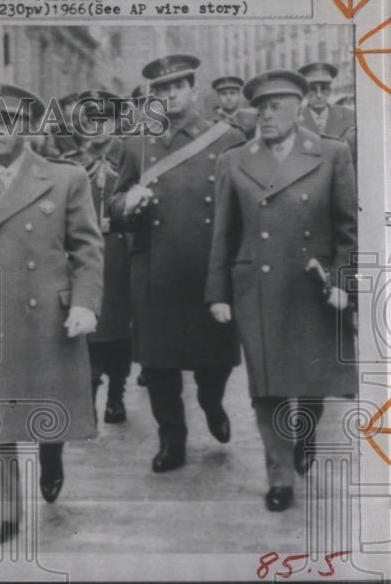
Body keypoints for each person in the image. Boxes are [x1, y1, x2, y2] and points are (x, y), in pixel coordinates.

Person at [0, 82, 104, 548]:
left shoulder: (66, 178)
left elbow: (88, 248)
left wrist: (86, 303)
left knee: (48, 410)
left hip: (49, 315)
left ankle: (52, 455)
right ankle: (6, 509)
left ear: (27, 127)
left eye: (7, 122)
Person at [205, 70, 358, 511]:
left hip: (311, 287)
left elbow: (348, 229)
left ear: (298, 108)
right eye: (261, 107)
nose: (266, 115)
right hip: (257, 289)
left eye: (276, 106)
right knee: (266, 387)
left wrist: (344, 282)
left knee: (310, 382)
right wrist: (217, 293)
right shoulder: (234, 160)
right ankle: (280, 476)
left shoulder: (331, 153)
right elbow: (224, 234)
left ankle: (306, 432)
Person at [109, 55, 245, 474]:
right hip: (155, 270)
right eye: (161, 90)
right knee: (158, 363)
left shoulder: (226, 138)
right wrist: (126, 202)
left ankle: (211, 401)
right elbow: (113, 203)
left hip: (207, 266)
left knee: (215, 357)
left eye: (177, 87)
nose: (169, 96)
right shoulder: (136, 143)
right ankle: (172, 438)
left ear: (193, 89)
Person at [59, 90, 133, 424]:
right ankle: (86, 396)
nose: (98, 127)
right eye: (91, 120)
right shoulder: (72, 161)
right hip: (83, 255)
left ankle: (116, 394)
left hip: (121, 254)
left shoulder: (132, 156)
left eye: (105, 119)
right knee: (87, 329)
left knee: (120, 331)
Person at [296, 62, 357, 166]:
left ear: (329, 90)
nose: (319, 95)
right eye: (313, 89)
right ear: (304, 92)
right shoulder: (295, 121)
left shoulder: (349, 117)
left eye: (324, 89)